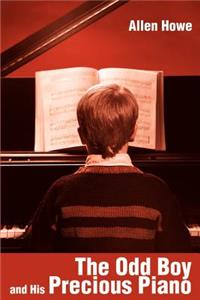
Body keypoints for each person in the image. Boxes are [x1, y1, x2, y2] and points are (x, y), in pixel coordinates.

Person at [25, 84, 190, 252]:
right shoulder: (157, 190)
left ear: (81, 135)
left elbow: (34, 252)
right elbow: (180, 255)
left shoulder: (60, 190)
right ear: (133, 132)